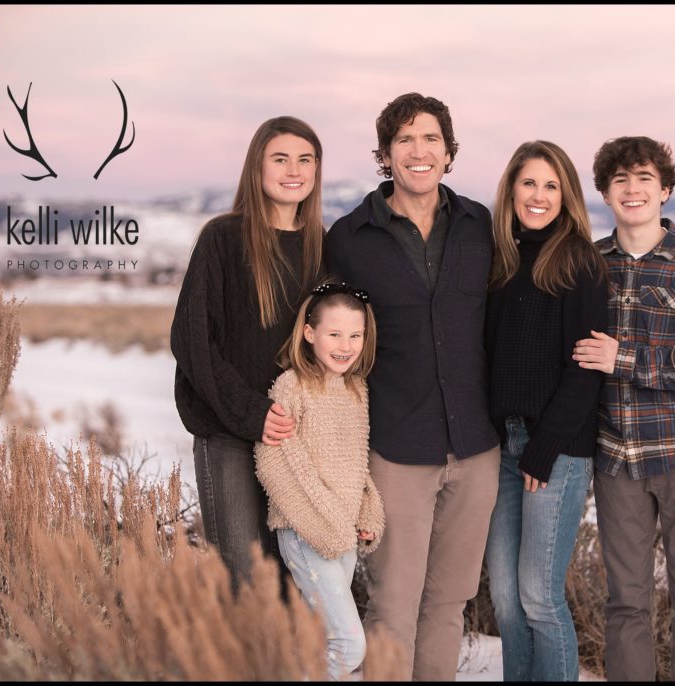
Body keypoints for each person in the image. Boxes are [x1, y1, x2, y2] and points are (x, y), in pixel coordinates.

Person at [325, 92, 500, 681]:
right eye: (404, 140)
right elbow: (326, 340)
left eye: (430, 139)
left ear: (449, 152)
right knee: (393, 607)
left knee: (449, 606)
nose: (418, 152)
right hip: (396, 448)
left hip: (477, 446)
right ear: (385, 154)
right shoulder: (349, 238)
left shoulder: (481, 227)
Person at [572, 136, 675, 681]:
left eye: (644, 178)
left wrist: (627, 359)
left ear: (664, 190)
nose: (632, 188)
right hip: (616, 457)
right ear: (604, 192)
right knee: (626, 602)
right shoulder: (589, 264)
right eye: (619, 179)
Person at [170, 116, 326, 594]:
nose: (293, 170)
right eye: (280, 158)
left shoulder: (323, 247)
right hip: (229, 433)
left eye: (305, 159)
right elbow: (192, 340)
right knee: (246, 582)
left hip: (297, 440)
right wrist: (252, 412)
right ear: (257, 167)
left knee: (294, 580)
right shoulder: (223, 238)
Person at [483, 140, 608, 681]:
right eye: (529, 183)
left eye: (551, 185)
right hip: (503, 448)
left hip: (554, 452)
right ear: (511, 188)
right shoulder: (501, 262)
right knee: (506, 600)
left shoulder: (579, 261)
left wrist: (542, 449)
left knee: (539, 597)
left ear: (567, 196)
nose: (538, 195)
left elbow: (586, 369)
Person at [254, 281, 384, 681]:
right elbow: (274, 462)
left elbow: (356, 464)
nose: (345, 345)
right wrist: (322, 521)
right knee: (349, 644)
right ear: (310, 333)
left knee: (320, 639)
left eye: (355, 335)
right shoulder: (292, 386)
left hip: (341, 535)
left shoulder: (355, 390)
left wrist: (368, 510)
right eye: (334, 334)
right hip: (305, 532)